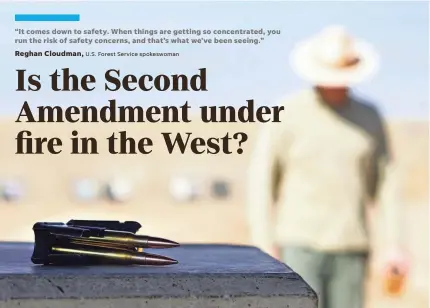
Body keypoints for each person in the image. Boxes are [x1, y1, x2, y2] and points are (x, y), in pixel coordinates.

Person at [247, 25, 408, 308]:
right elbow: (260, 182)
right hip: (297, 248)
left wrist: (394, 245)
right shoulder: (287, 114)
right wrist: (263, 243)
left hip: (352, 248)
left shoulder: (369, 118)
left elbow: (387, 185)